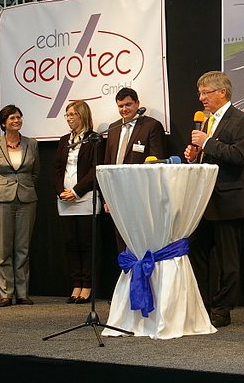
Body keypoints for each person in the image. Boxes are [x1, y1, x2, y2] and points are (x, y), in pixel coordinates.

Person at [184, 71, 244, 328]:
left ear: (222, 92)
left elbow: (238, 156)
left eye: (206, 92)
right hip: (205, 199)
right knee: (195, 249)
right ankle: (202, 303)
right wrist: (195, 155)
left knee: (228, 261)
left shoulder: (241, 121)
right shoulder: (207, 120)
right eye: (200, 93)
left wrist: (207, 143)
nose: (201, 98)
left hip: (230, 200)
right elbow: (210, 153)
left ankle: (223, 309)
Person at [0, 104, 39, 308]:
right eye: (12, 118)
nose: (17, 121)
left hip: (26, 199)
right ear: (3, 123)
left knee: (23, 248)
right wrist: (3, 187)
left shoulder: (31, 144)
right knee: (4, 248)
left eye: (18, 117)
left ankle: (22, 293)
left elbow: (35, 173)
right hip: (1, 200)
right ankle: (6, 293)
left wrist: (23, 186)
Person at [104, 87, 167, 253]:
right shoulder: (113, 128)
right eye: (120, 106)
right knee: (121, 241)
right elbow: (107, 164)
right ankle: (126, 269)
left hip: (141, 194)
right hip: (117, 193)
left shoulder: (151, 126)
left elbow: (158, 161)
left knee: (141, 242)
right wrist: (107, 197)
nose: (124, 109)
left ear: (137, 103)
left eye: (128, 104)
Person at [54, 101, 105, 304]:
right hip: (64, 199)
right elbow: (57, 169)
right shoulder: (64, 140)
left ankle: (88, 285)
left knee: (87, 243)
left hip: (85, 198)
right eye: (67, 115)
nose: (69, 118)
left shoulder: (94, 139)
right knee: (71, 243)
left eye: (72, 114)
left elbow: (95, 170)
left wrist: (76, 191)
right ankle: (76, 284)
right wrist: (61, 191)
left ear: (82, 115)